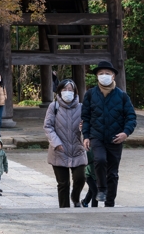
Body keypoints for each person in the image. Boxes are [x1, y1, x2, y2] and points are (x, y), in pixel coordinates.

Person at [81, 60, 137, 207]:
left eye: (107, 73)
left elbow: (131, 117)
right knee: (99, 160)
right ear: (97, 76)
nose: (104, 76)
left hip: (115, 138)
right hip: (96, 136)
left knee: (113, 173)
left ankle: (110, 203)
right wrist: (86, 136)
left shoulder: (122, 96)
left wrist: (125, 133)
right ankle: (101, 189)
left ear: (113, 76)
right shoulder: (90, 94)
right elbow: (85, 117)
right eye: (101, 74)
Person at [43, 79, 86, 208]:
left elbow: (88, 126)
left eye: (70, 90)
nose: (67, 92)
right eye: (64, 90)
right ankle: (64, 209)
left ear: (75, 92)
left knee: (80, 178)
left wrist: (83, 128)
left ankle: (75, 196)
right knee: (63, 183)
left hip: (77, 149)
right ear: (59, 91)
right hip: (59, 150)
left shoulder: (82, 107)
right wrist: (56, 142)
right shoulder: (54, 106)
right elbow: (48, 126)